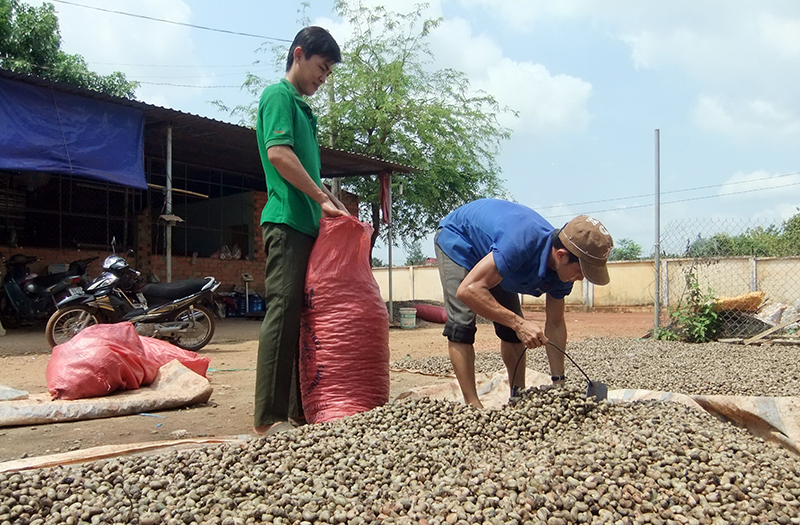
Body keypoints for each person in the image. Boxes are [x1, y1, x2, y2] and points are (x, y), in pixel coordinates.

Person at [254, 27, 349, 435]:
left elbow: (308, 172)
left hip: (308, 227)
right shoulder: (279, 96)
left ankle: (298, 411)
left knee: (303, 318)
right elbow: (278, 155)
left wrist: (332, 200)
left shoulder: (305, 110)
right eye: (321, 68)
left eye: (328, 74)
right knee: (283, 312)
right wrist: (319, 197)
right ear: (299, 54)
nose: (322, 79)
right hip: (287, 223)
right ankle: (269, 417)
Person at [434, 198, 613, 408]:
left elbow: (555, 324)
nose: (582, 278)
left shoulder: (562, 274)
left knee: (511, 330)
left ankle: (517, 397)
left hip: (497, 254)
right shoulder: (520, 244)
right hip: (461, 240)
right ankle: (472, 405)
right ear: (562, 255)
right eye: (582, 271)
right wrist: (519, 323)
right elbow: (469, 290)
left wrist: (559, 384)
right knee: (461, 326)